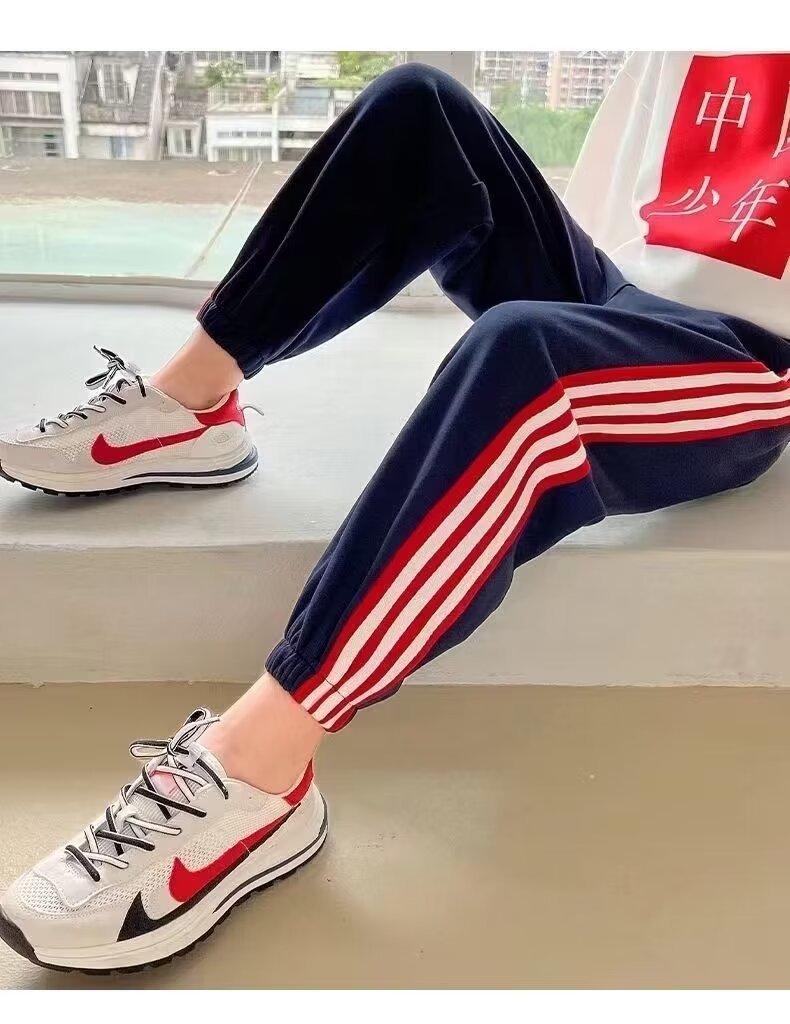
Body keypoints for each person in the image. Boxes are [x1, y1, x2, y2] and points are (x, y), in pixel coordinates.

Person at [2, 52, 790, 973]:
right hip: (631, 294)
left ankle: (261, 769)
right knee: (420, 106)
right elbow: (639, 185)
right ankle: (194, 402)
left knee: (526, 353)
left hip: (751, 362)